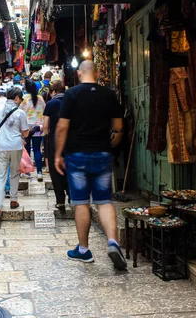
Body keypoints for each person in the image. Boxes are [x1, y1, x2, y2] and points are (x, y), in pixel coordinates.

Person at [54, 60, 127, 271]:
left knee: (81, 203)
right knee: (104, 201)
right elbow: (118, 127)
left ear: (79, 73)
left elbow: (62, 127)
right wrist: (110, 144)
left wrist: (58, 154)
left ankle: (84, 250)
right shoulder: (109, 94)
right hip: (102, 153)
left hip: (77, 154)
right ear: (97, 73)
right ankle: (113, 242)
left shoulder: (72, 94)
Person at [0, 87, 29, 228]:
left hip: (0, 146)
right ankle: (13, 200)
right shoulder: (20, 113)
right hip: (15, 145)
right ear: (17, 98)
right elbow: (25, 133)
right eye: (20, 99)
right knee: (14, 173)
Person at [43, 80, 69, 215]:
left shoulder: (50, 104)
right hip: (70, 139)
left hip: (55, 139)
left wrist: (46, 136)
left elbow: (46, 125)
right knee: (69, 166)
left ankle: (60, 200)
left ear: (53, 91)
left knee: (55, 168)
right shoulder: (71, 102)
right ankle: (72, 194)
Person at [21, 79, 46, 182]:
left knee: (26, 150)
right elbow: (44, 111)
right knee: (37, 149)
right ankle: (39, 172)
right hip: (38, 127)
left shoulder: (24, 99)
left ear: (26, 88)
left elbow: (20, 113)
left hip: (27, 128)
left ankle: (27, 171)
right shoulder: (40, 99)